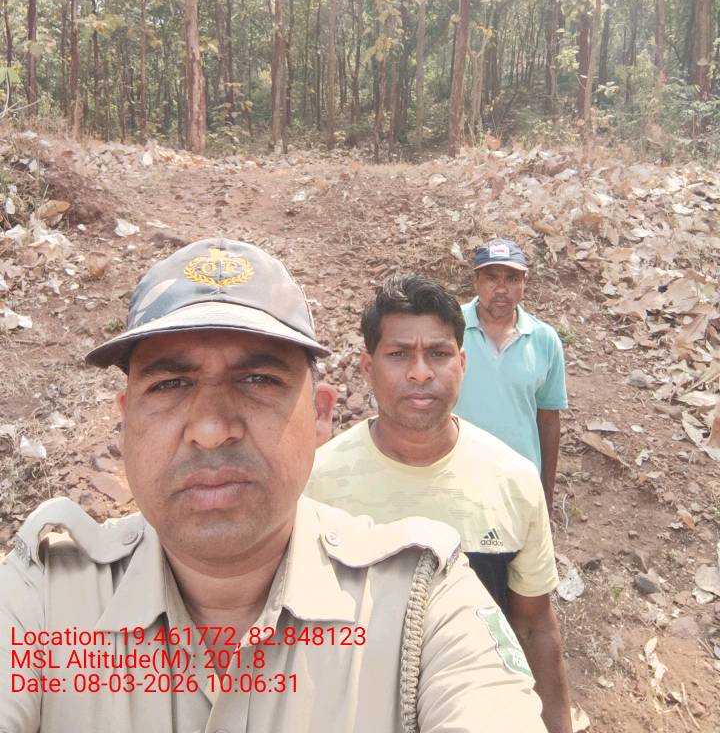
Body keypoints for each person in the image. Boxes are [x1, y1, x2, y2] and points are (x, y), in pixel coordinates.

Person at [0, 238, 547, 733]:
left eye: (258, 380)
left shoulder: (421, 603)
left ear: (320, 415)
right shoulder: (42, 596)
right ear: (126, 423)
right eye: (171, 384)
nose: (211, 429)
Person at [307, 274, 572, 733]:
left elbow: (533, 625)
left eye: (438, 353)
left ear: (462, 363)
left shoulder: (514, 480)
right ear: (368, 368)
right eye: (398, 354)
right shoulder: (317, 483)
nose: (420, 372)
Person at [453, 238, 568, 510]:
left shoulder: (544, 339)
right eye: (491, 278)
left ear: (524, 282)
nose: (502, 289)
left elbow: (549, 420)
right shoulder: (449, 327)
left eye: (512, 279)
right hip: (456, 479)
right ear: (476, 280)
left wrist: (546, 492)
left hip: (518, 484)